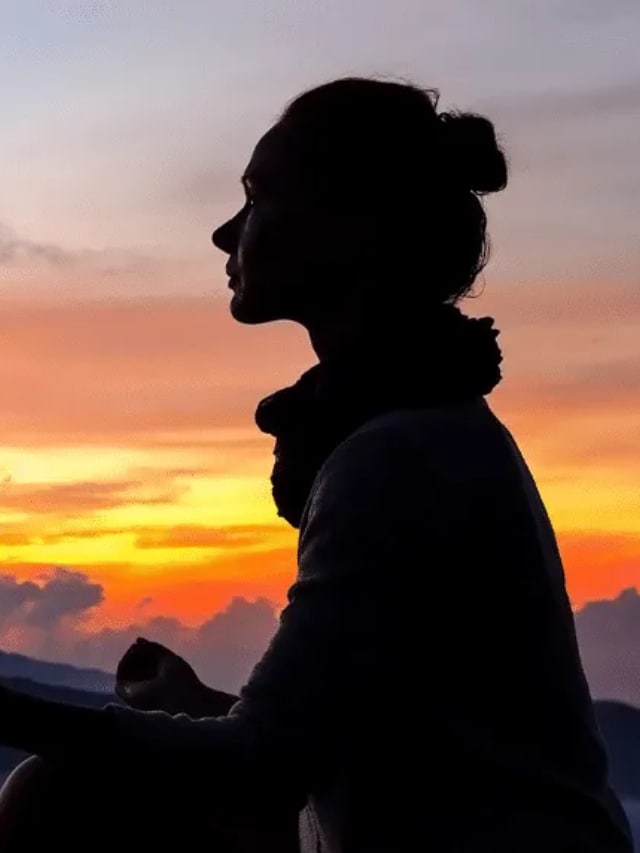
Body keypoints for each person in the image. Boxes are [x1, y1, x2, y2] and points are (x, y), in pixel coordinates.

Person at [0, 77, 633, 852]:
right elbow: (389, 740)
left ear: (352, 227)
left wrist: (11, 710)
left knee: (53, 798)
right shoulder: (430, 429)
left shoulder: (396, 457)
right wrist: (198, 705)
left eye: (257, 198)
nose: (225, 232)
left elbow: (264, 766)